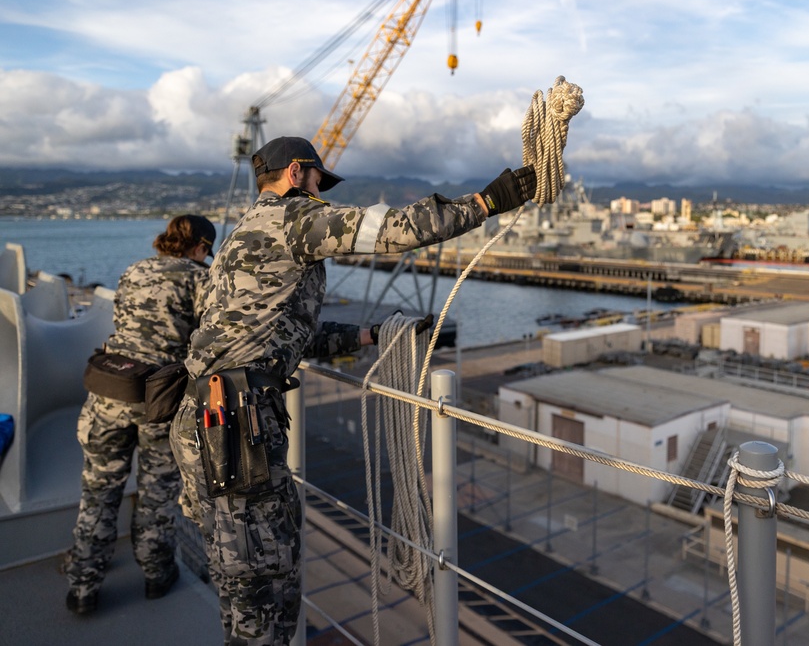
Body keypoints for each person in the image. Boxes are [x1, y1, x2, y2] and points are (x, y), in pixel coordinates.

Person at [169, 135, 535, 644]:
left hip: (209, 418)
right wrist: (487, 202)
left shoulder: (240, 236)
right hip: (235, 426)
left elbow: (273, 332)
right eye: (319, 180)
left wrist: (366, 335)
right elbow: (393, 230)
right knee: (264, 588)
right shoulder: (294, 218)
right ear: (296, 173)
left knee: (242, 582)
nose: (322, 192)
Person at [65, 214, 216, 615]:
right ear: (201, 247)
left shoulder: (134, 270)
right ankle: (155, 575)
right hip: (159, 400)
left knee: (98, 489)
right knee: (156, 494)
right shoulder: (201, 278)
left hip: (110, 389)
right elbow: (209, 338)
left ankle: (83, 586)